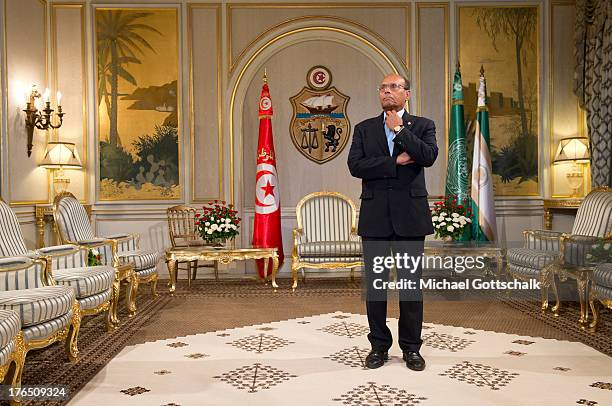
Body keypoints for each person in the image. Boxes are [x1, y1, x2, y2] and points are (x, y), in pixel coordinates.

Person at [347, 73, 438, 371]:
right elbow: (355, 166)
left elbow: (428, 156)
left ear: (406, 94)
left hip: (410, 218)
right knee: (376, 287)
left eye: (393, 87)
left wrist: (399, 131)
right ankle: (378, 347)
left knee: (411, 287)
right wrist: (394, 163)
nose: (387, 91)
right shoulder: (364, 129)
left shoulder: (423, 126)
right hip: (375, 219)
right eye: (383, 87)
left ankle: (412, 348)